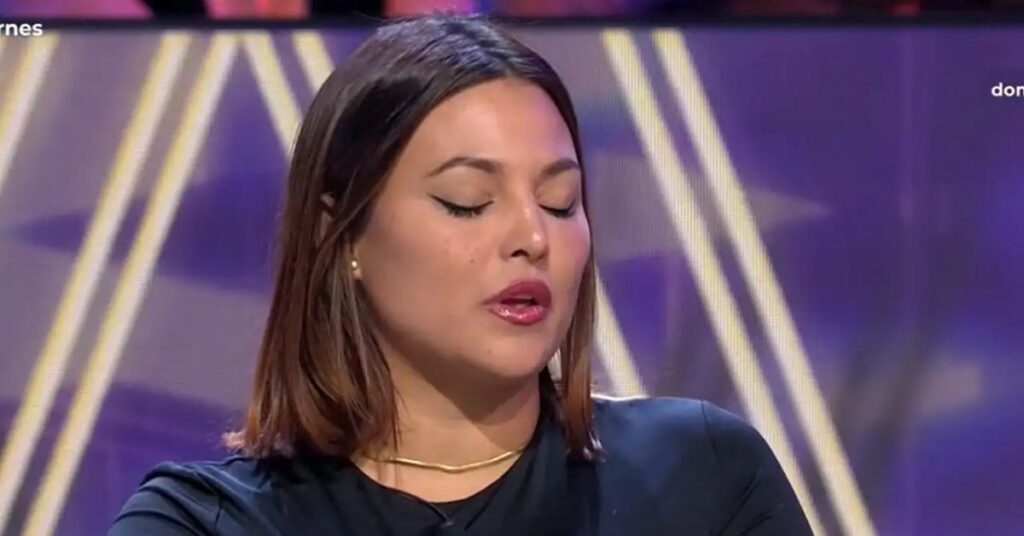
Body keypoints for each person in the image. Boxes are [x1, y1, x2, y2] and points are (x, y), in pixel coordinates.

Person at [109, 14, 813, 536]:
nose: (533, 238)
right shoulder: (204, 523)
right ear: (339, 232)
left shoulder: (703, 477)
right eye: (468, 202)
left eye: (559, 202)